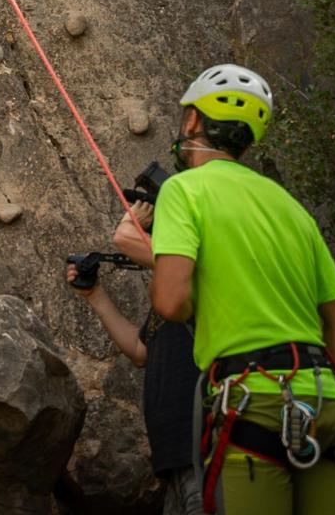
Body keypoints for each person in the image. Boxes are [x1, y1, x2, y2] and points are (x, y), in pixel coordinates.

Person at [112, 64, 335, 515]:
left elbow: (170, 303)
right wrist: (317, 387)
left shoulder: (184, 191)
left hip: (256, 402)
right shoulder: (289, 206)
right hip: (325, 405)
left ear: (192, 121)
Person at [67, 201, 205, 515]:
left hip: (202, 447)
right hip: (174, 456)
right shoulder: (170, 301)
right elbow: (141, 352)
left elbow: (127, 241)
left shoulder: (203, 276)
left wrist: (131, 226)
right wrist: (95, 295)